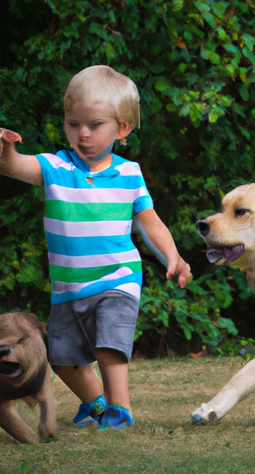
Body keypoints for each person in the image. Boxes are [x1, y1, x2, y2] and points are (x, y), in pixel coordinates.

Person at [0, 65, 192, 430]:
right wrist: (5, 148)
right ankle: (97, 405)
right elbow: (13, 167)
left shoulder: (129, 174)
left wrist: (174, 256)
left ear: (122, 128)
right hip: (68, 288)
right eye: (73, 124)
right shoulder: (55, 166)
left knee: (109, 344)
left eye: (94, 125)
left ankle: (121, 410)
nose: (82, 134)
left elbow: (150, 222)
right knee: (61, 358)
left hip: (117, 278)